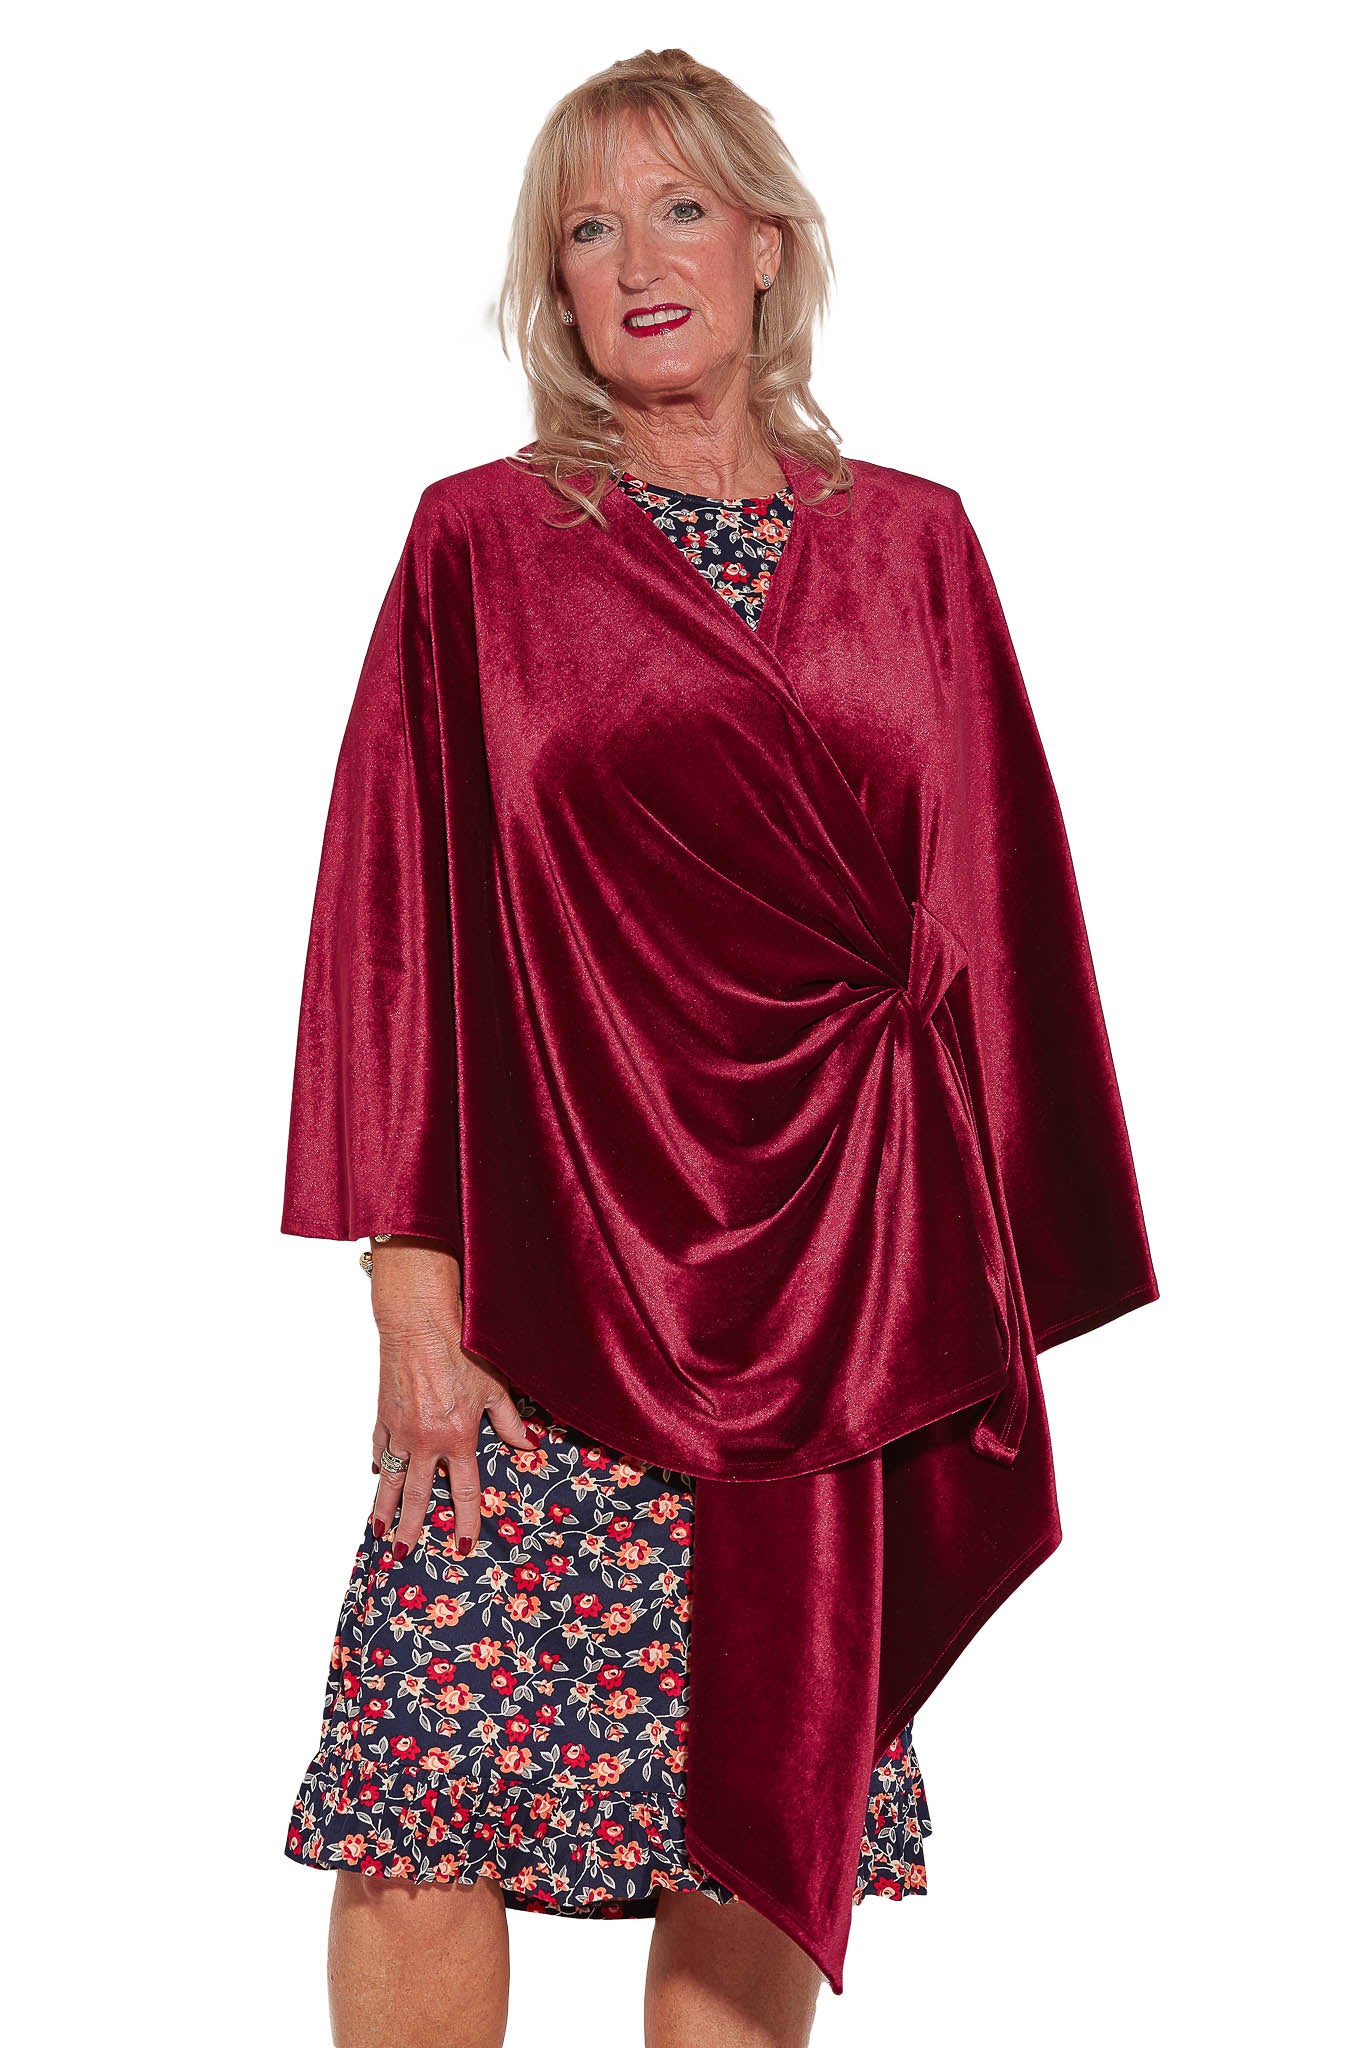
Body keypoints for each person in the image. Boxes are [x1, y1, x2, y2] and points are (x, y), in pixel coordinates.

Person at [278, 47, 1158, 2048]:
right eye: (587, 230)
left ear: (767, 247)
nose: (636, 260)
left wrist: (972, 1281)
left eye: (678, 209)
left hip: (835, 1279)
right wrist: (408, 1286)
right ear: (556, 290)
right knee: (419, 1804)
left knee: (755, 1818)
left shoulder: (916, 543)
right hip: (549, 1278)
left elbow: (994, 909)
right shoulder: (480, 544)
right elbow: (394, 914)